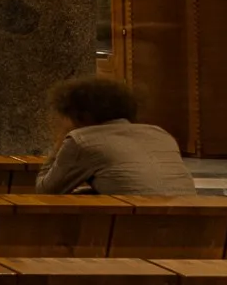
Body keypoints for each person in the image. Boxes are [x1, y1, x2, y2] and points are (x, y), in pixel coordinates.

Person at [35, 75, 197, 195]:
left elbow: (46, 191)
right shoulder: (160, 134)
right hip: (192, 223)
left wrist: (60, 140)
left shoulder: (81, 140)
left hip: (136, 225)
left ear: (78, 115)